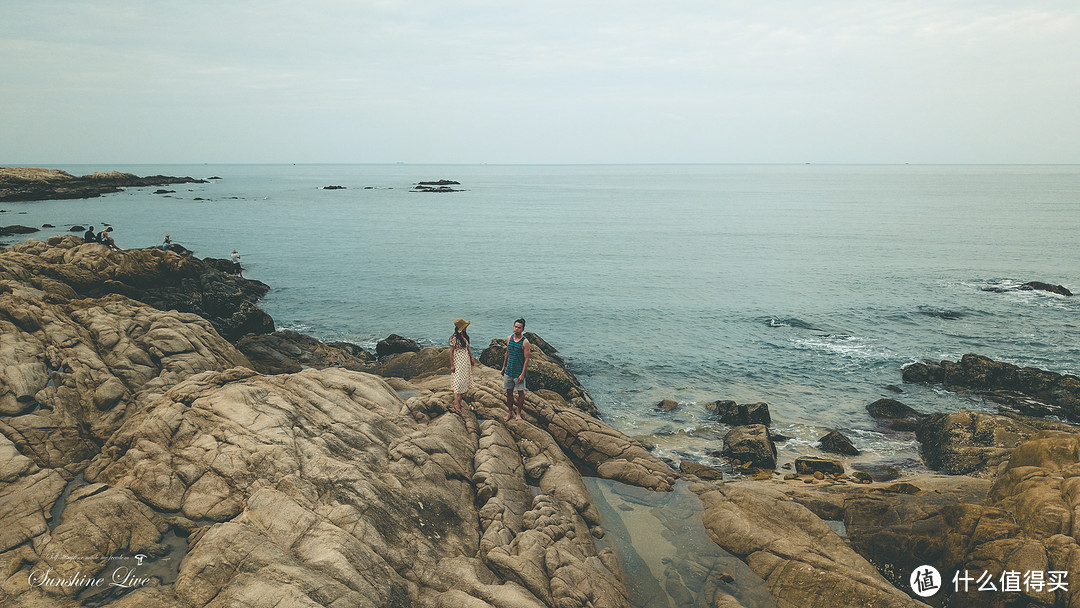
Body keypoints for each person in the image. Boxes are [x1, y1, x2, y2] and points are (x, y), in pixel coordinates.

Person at [500, 318, 531, 421]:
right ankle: (510, 412)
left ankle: (518, 413)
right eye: (515, 326)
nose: (516, 329)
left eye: (519, 327)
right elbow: (507, 353)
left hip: (518, 372)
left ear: (522, 329)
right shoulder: (509, 338)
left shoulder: (525, 342)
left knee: (520, 393)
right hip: (509, 370)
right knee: (509, 392)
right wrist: (504, 366)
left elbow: (527, 359)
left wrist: (522, 374)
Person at [449, 317, 477, 414]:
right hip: (458, 360)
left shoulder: (465, 335)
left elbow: (468, 347)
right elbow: (451, 353)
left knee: (463, 380)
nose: (466, 328)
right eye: (465, 327)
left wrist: (471, 358)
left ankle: (460, 400)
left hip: (465, 360)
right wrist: (452, 365)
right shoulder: (454, 338)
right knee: (458, 382)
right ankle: (456, 403)